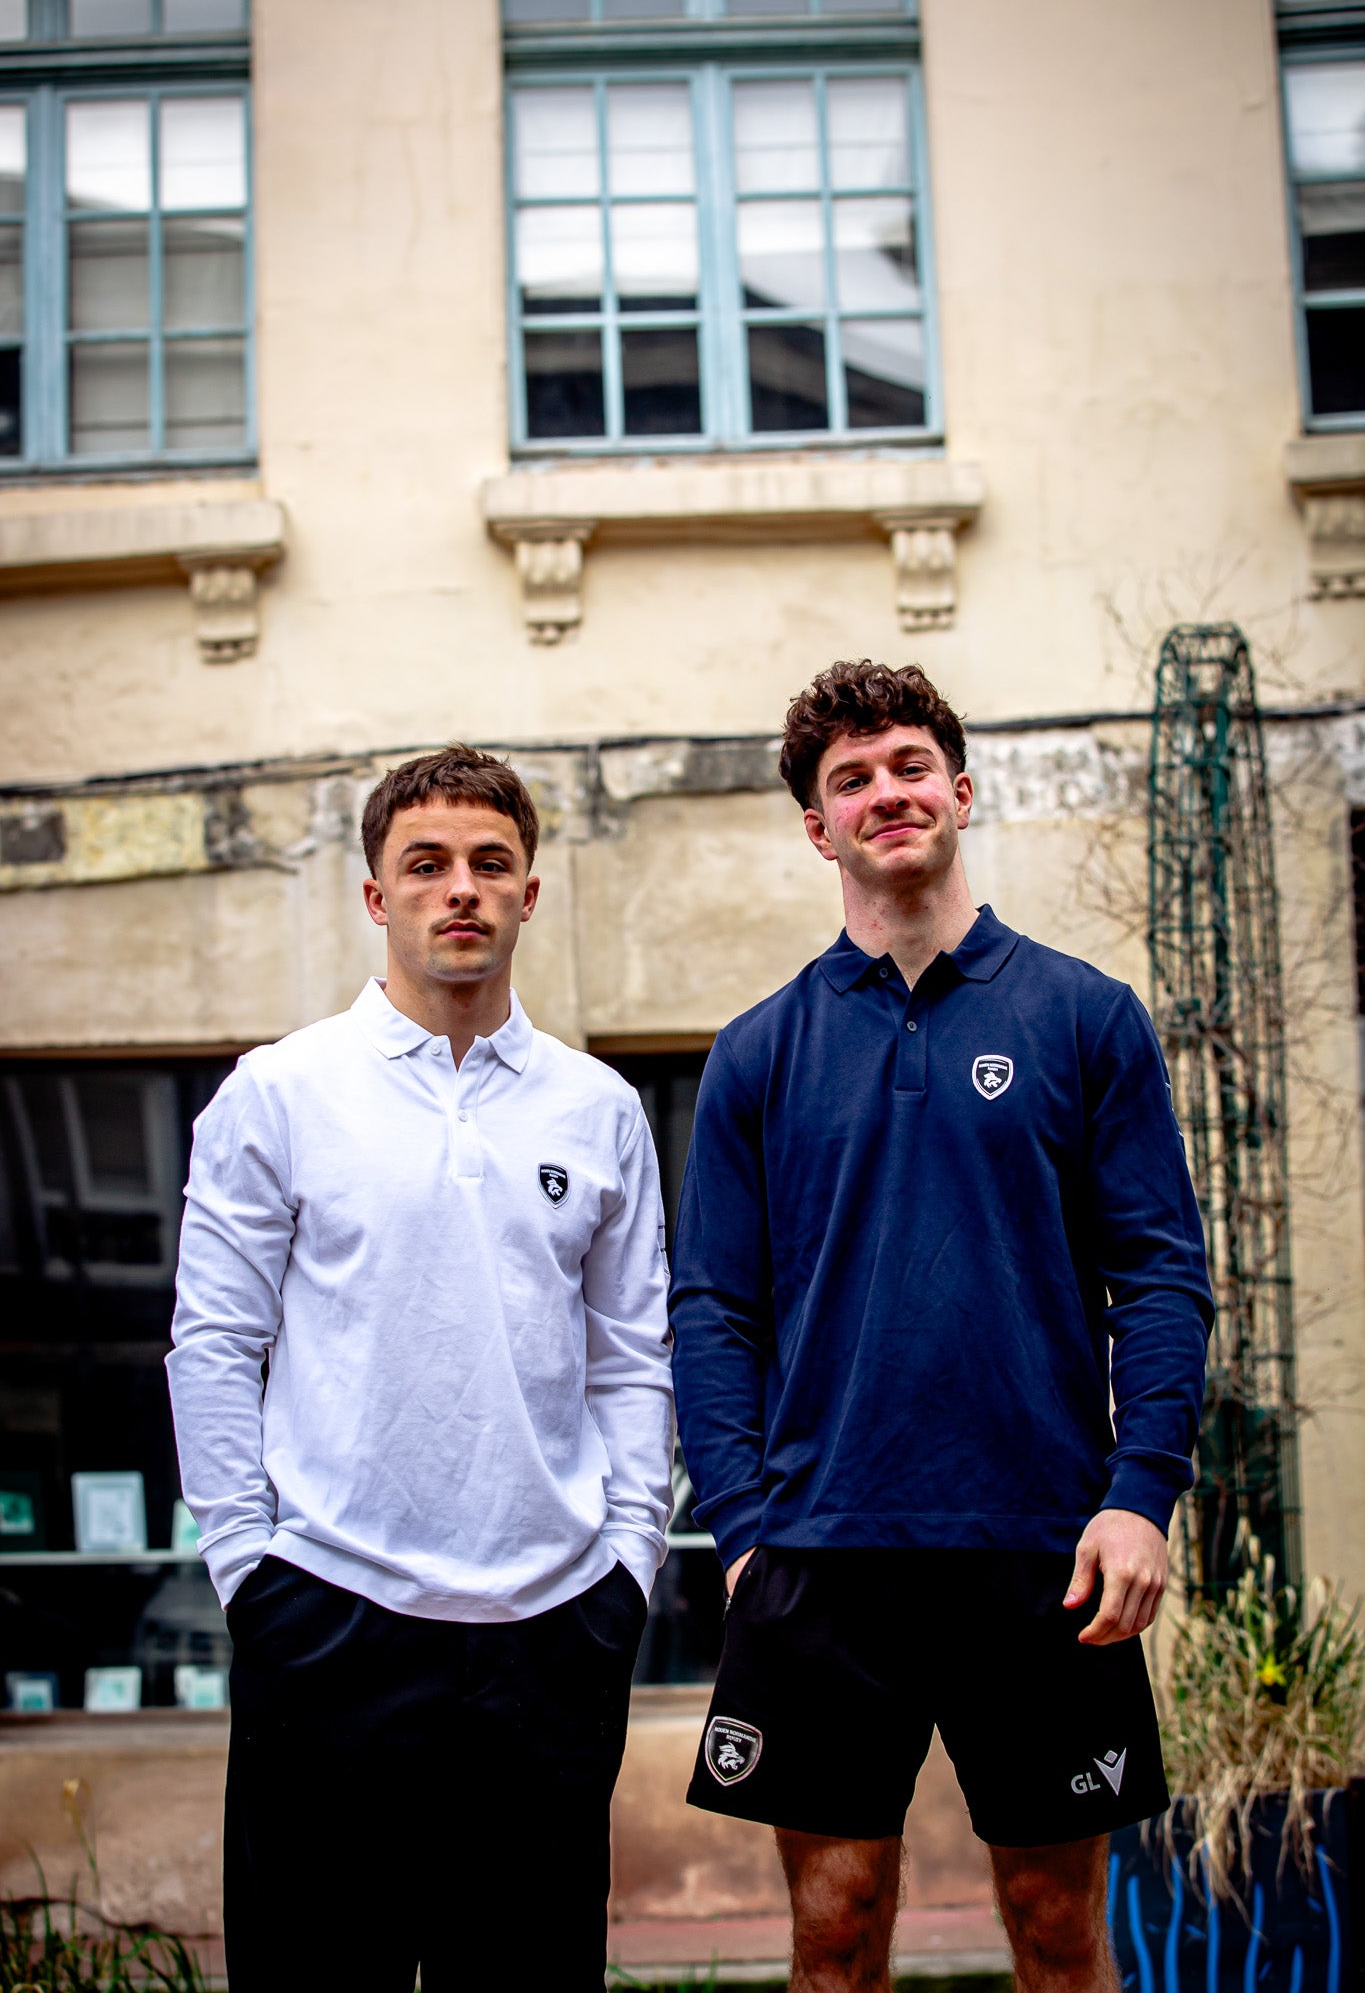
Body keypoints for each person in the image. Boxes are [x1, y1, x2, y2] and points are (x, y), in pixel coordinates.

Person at [669, 661, 1213, 1993]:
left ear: (959, 790)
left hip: (1044, 1549)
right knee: (836, 1924)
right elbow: (713, 1310)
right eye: (851, 779)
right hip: (820, 1549)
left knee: (1056, 1926)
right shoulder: (758, 1052)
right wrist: (741, 1527)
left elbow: (1158, 1277)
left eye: (909, 764)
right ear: (820, 828)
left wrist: (1138, 1496)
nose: (887, 793)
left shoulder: (1083, 1016)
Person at [168, 745, 674, 1993]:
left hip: (553, 1633)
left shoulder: (599, 1108)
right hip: (329, 1617)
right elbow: (215, 1344)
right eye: (426, 863)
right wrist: (249, 1573)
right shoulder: (279, 1093)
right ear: (375, 894)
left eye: (491, 862)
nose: (461, 887)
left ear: (528, 894)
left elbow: (631, 1357)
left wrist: (628, 1566)